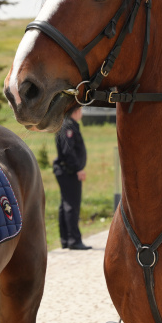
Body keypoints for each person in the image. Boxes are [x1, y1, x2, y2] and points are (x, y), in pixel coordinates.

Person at [53, 107, 91, 250]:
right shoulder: (68, 126)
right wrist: (78, 168)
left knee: (65, 205)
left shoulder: (67, 124)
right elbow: (67, 151)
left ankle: (66, 239)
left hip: (66, 171)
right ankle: (74, 240)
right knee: (71, 205)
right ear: (76, 111)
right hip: (69, 172)